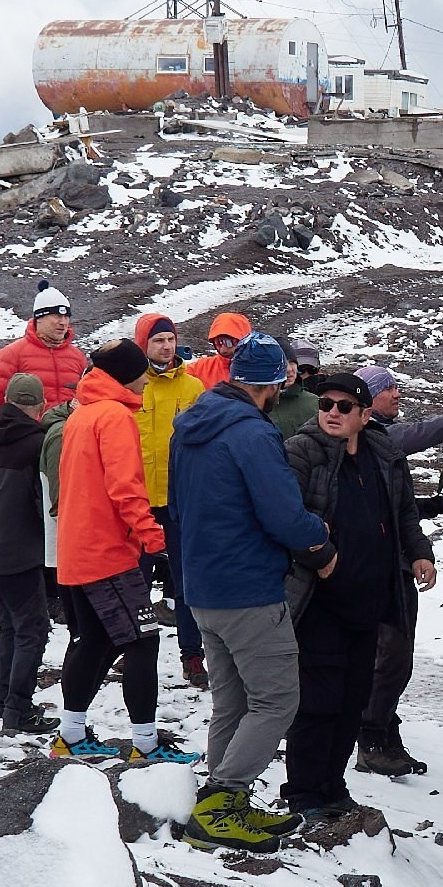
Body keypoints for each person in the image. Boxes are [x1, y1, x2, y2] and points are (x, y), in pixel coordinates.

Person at [167, 333, 336, 854]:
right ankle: (224, 800)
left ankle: (217, 805)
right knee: (277, 700)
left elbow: (177, 504)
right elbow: (282, 514)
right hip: (248, 587)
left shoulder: (191, 425)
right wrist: (321, 542)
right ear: (275, 381)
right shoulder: (252, 434)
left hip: (201, 585)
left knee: (232, 701)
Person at [283, 372, 432, 825]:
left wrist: (419, 553)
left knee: (352, 701)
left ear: (365, 416)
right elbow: (283, 516)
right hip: (320, 601)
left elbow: (404, 510)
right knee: (317, 702)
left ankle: (333, 786)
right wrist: (318, 552)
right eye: (325, 402)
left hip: (371, 599)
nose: (331, 411)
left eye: (344, 406)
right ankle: (305, 793)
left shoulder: (383, 454)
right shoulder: (300, 452)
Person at [352, 362, 443, 777]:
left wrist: (426, 511)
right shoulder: (377, 438)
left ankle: (381, 736)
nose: (398, 394)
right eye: (389, 388)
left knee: (389, 658)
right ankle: (373, 740)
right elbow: (429, 432)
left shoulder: (373, 440)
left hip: (388, 563)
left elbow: (390, 506)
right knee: (391, 658)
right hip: (377, 568)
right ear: (369, 398)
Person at [51, 339, 192, 766]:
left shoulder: (84, 413)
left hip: (78, 549)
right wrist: (154, 538)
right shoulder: (114, 417)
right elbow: (126, 488)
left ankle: (70, 734)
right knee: (143, 640)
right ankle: (146, 744)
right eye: (141, 368)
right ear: (127, 373)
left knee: (95, 639)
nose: (148, 374)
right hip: (108, 552)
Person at [0, 371, 53, 735]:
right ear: (40, 406)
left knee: (10, 625)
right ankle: (19, 709)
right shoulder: (39, 443)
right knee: (32, 629)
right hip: (20, 552)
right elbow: (44, 501)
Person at [132, 312, 208, 685]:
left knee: (186, 580)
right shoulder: (132, 387)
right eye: (158, 340)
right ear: (143, 345)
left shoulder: (193, 389)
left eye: (170, 339)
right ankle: (128, 649)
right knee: (136, 580)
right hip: (140, 499)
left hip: (181, 499)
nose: (166, 346)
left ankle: (192, 655)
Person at [0, 282, 84, 437]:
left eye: (66, 316)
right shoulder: (13, 353)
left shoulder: (77, 357)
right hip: (25, 442)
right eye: (57, 316)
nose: (63, 322)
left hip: (68, 440)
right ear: (39, 318)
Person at [264, 338, 324, 440]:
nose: (289, 369)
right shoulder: (256, 404)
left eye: (292, 362)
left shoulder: (315, 403)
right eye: (282, 363)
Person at [187, 311, 253, 387]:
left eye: (229, 343)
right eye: (219, 343)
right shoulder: (200, 368)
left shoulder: (262, 369)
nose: (223, 350)